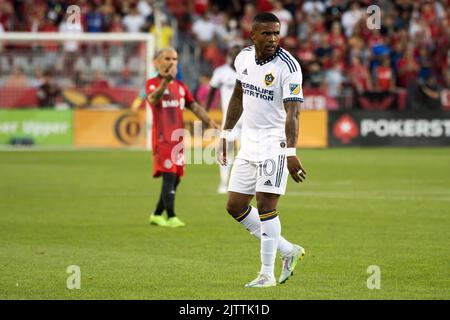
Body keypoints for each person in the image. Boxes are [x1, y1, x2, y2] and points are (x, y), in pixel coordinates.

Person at [218, 13, 307, 288]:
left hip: (275, 144)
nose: (272, 39)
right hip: (249, 142)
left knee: (266, 205)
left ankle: (266, 274)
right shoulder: (243, 58)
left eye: (276, 33)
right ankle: (288, 250)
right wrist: (225, 133)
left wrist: (290, 152)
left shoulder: (289, 67)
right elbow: (237, 96)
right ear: (252, 35)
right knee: (235, 206)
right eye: (266, 33)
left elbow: (293, 113)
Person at [146, 47, 218, 228]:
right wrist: (165, 83)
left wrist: (210, 122)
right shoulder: (153, 83)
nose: (172, 62)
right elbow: (153, 100)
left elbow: (194, 106)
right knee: (169, 176)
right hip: (162, 139)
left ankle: (156, 214)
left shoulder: (180, 87)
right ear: (157, 62)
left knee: (176, 177)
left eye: (175, 59)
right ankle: (170, 216)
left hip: (178, 139)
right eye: (167, 58)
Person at [206, 45, 242, 194]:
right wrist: (205, 112)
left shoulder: (251, 71)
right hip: (230, 119)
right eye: (234, 57)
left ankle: (242, 184)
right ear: (229, 57)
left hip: (249, 119)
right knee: (225, 151)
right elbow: (212, 91)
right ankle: (223, 182)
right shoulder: (221, 72)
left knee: (248, 152)